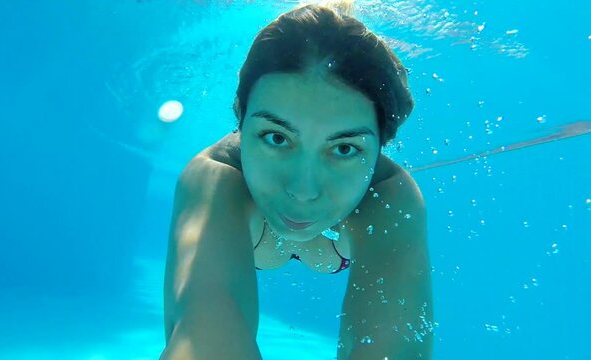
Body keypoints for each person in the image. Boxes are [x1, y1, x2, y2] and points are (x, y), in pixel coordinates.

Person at [160, 1, 434, 359]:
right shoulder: (217, 180)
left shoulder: (386, 198)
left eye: (345, 149)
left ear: (380, 145)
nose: (302, 192)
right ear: (240, 119)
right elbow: (204, 335)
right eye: (276, 137)